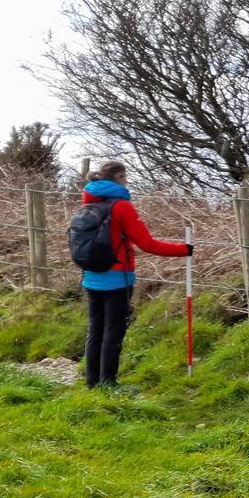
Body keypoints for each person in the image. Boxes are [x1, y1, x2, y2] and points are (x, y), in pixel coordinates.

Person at [75, 162, 191, 388]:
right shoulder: (122, 206)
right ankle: (108, 384)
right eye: (125, 177)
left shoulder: (88, 203)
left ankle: (92, 383)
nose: (127, 181)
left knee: (95, 329)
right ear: (119, 176)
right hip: (117, 278)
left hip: (90, 276)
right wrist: (184, 249)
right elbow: (147, 244)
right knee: (113, 332)